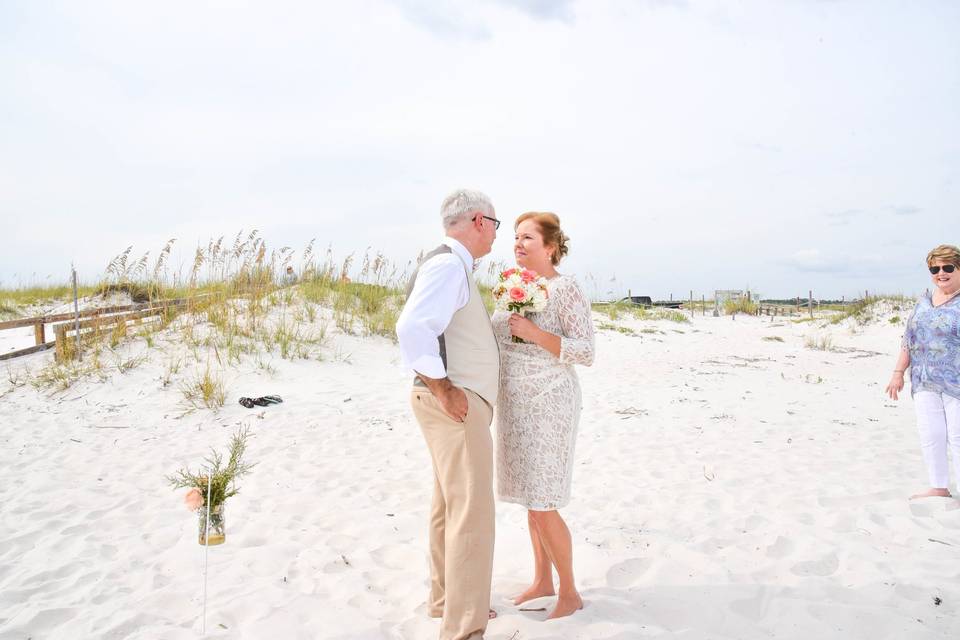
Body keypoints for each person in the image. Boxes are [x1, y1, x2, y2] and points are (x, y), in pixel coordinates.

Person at [395, 189, 501, 640]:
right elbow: (413, 328)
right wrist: (445, 389)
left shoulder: (452, 264)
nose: (497, 233)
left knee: (448, 505)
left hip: (447, 402)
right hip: (453, 404)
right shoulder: (447, 264)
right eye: (496, 224)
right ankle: (463, 628)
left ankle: (446, 601)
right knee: (472, 514)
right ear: (479, 221)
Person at [492, 212, 595, 619]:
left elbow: (585, 351)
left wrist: (534, 333)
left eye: (528, 238)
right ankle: (542, 580)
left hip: (550, 400)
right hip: (515, 403)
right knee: (529, 499)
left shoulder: (566, 289)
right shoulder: (512, 287)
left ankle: (569, 592)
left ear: (550, 247)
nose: (518, 244)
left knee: (544, 500)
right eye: (515, 238)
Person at [886, 244, 960, 499]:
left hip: (957, 383)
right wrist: (898, 372)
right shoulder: (923, 302)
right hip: (924, 380)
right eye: (935, 268)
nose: (941, 273)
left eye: (948, 267)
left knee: (958, 436)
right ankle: (939, 487)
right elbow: (909, 338)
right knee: (932, 434)